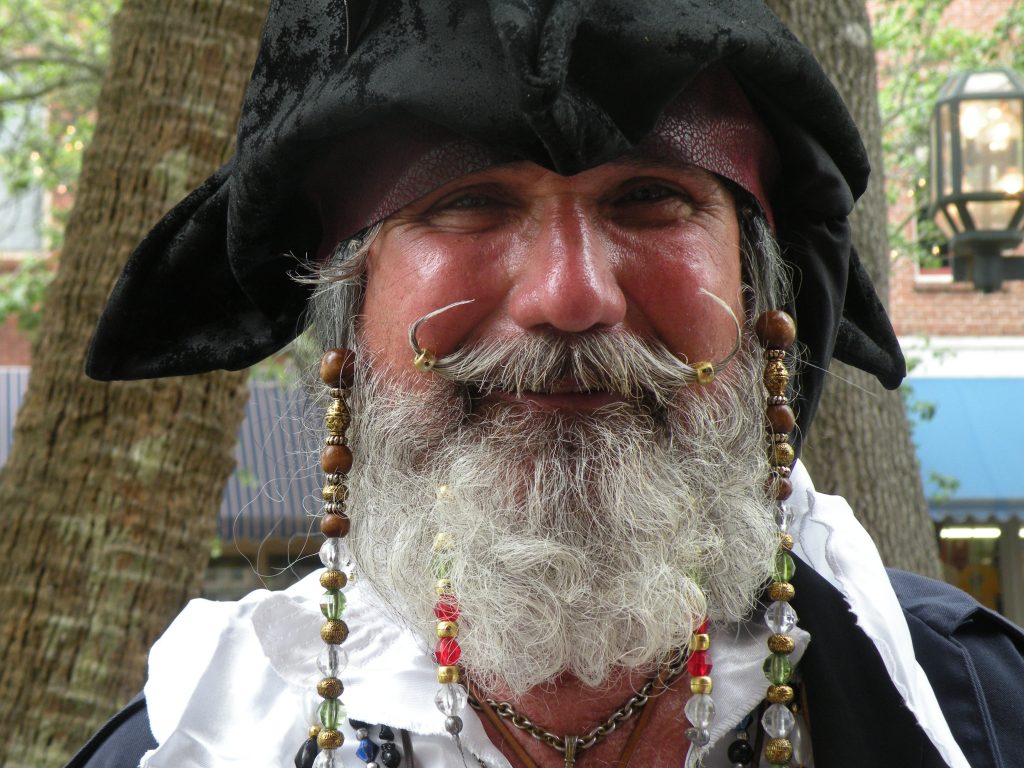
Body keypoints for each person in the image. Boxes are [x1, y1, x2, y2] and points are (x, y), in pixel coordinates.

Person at [71, 2, 1024, 767]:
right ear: (351, 311)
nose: (571, 296)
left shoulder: (985, 715)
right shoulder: (199, 740)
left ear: (758, 290)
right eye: (469, 201)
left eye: (650, 198)